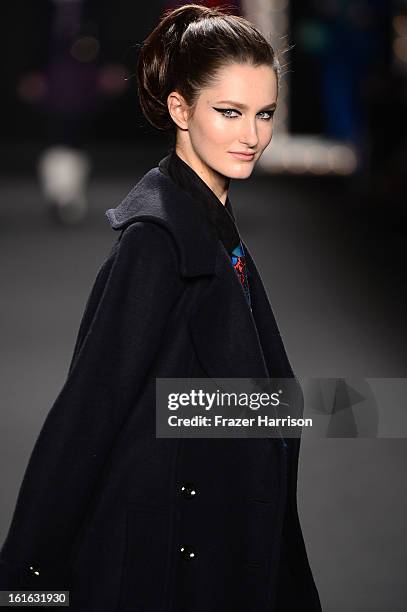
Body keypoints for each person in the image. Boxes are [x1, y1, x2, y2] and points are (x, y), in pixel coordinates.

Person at [0, 4, 322, 611]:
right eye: (229, 113)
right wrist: (27, 584)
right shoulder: (157, 242)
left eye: (264, 114)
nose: (251, 135)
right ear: (180, 109)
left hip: (208, 531)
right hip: (170, 557)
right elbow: (88, 412)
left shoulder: (209, 223)